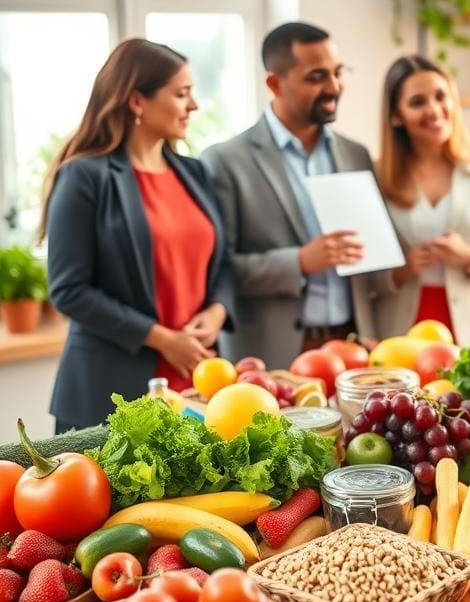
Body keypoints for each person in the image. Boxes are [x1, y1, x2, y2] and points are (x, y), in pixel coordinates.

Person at [42, 39, 234, 431]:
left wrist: (218, 311)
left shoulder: (194, 173)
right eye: (181, 94)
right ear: (136, 102)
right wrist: (163, 339)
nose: (193, 105)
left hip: (195, 393)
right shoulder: (84, 177)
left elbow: (223, 266)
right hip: (110, 395)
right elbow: (68, 290)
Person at [202, 22, 377, 369]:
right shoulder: (225, 162)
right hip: (271, 356)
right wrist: (298, 262)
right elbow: (220, 272)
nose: (334, 87)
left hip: (353, 349)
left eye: (338, 73)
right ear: (274, 83)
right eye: (316, 77)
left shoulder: (357, 154)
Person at [372, 55, 470, 345]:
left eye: (441, 96)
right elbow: (361, 277)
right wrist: (401, 270)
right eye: (417, 102)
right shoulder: (377, 177)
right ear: (396, 115)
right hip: (399, 330)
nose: (434, 109)